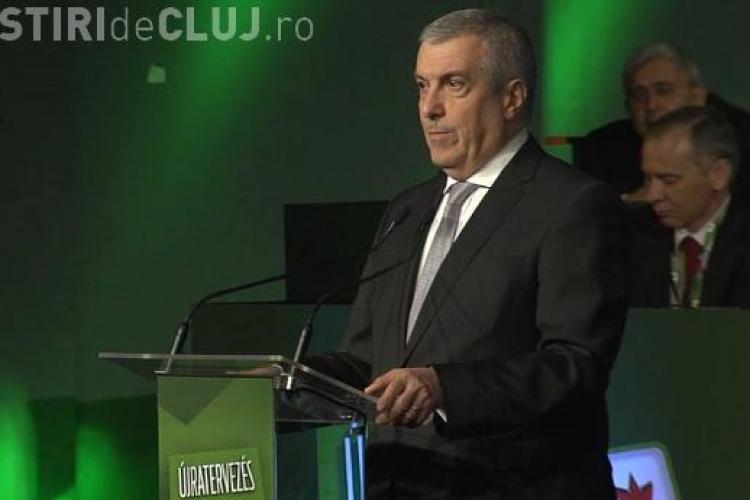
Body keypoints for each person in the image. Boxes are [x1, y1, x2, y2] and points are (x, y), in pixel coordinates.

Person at [306, 8, 627, 499]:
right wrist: (281, 383)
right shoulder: (407, 210)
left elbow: (574, 366)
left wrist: (443, 388)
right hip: (402, 485)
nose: (429, 108)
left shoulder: (571, 204)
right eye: (421, 86)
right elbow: (369, 364)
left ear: (512, 97)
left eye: (453, 84)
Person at [576, 42, 750, 202]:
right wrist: (630, 204)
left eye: (663, 90)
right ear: (628, 106)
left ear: (698, 97)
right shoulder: (600, 150)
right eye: (639, 95)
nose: (651, 105)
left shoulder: (741, 140)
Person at [628, 106, 750, 308]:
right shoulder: (629, 236)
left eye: (668, 180)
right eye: (648, 179)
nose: (652, 196)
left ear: (719, 174)